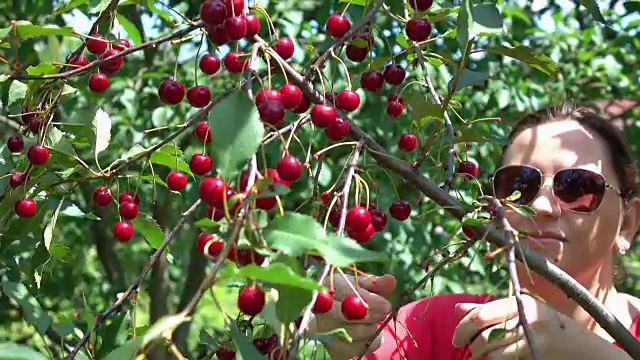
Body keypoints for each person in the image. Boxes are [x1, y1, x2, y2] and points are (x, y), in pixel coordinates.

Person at [309, 103, 640, 359]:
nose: (541, 206)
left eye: (577, 186)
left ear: (627, 222)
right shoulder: (432, 328)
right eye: (519, 185)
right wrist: (334, 335)